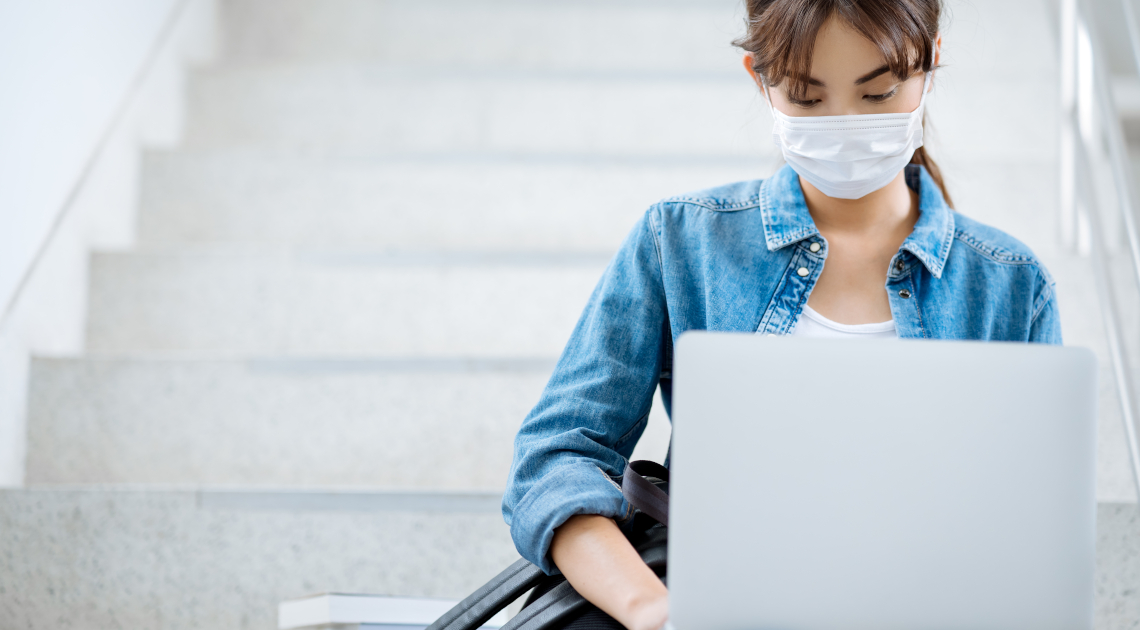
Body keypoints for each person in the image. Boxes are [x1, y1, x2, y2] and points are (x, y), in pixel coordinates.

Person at [501, 1, 1062, 629]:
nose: (846, 122)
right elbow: (558, 455)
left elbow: (1030, 533)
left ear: (928, 64)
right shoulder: (683, 240)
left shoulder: (1010, 285)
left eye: (877, 94)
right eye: (809, 97)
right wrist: (652, 607)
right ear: (760, 79)